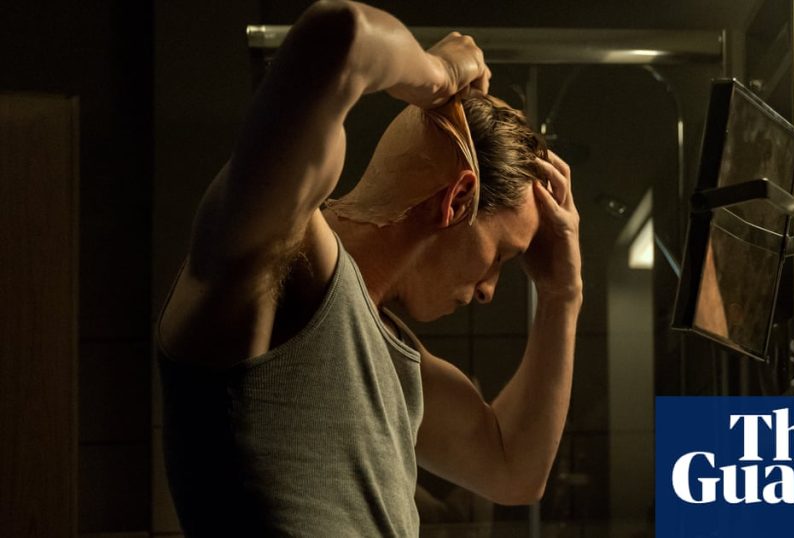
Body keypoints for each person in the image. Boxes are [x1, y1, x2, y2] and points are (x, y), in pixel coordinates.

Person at [154, 1, 582, 536]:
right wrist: (440, 73)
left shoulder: (391, 357)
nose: (488, 291)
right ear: (457, 200)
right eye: (500, 256)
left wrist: (563, 293)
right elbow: (339, 38)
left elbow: (514, 470)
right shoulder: (285, 255)